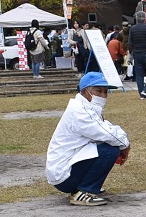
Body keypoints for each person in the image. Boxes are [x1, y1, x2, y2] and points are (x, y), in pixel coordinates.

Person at [46, 72, 131, 207]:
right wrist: (125, 145)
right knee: (110, 150)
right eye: (98, 91)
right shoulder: (80, 111)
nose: (103, 95)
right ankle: (85, 190)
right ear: (86, 91)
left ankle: (85, 186)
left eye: (105, 91)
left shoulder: (87, 108)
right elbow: (107, 134)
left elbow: (108, 127)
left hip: (64, 171)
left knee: (110, 146)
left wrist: (123, 140)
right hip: (63, 176)